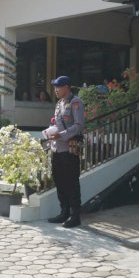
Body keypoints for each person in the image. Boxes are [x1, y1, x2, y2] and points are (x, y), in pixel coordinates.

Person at [44, 76, 85, 228]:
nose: (55, 90)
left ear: (66, 87)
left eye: (58, 87)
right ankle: (64, 212)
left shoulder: (75, 103)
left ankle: (75, 216)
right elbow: (57, 122)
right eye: (55, 87)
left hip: (69, 148)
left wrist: (60, 135)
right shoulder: (59, 103)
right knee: (59, 180)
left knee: (71, 182)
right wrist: (50, 131)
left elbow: (79, 125)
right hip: (57, 147)